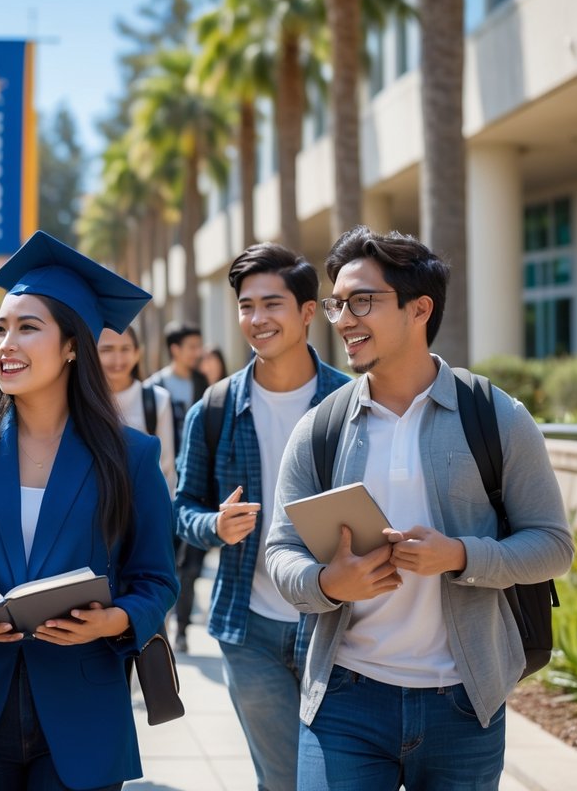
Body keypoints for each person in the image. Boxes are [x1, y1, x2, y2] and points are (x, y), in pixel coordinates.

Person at [266, 227, 574, 791]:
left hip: (465, 705)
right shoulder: (322, 428)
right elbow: (281, 549)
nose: (344, 320)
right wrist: (329, 582)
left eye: (363, 301)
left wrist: (460, 555)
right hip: (345, 699)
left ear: (419, 309)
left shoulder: (496, 417)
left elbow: (553, 545)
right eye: (338, 304)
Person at [0, 231, 179, 791]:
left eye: (28, 328)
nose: (6, 342)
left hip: (81, 711)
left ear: (73, 345)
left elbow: (156, 579)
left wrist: (116, 619)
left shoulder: (131, 456)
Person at [174, 243, 350, 791]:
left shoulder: (350, 403)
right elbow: (182, 508)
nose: (257, 319)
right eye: (246, 306)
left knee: (337, 779)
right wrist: (214, 527)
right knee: (283, 779)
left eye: (271, 304)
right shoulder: (216, 408)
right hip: (247, 625)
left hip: (340, 625)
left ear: (306, 312)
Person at [146, 324, 209, 652]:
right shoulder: (153, 388)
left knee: (192, 565)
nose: (197, 352)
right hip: (160, 491)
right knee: (165, 564)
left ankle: (182, 628)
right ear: (175, 349)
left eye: (198, 346)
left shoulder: (203, 384)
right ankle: (163, 623)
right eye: (191, 346)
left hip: (195, 487)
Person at [97, 325, 175, 493]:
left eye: (125, 349)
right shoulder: (81, 400)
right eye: (106, 350)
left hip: (141, 505)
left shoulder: (157, 399)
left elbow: (166, 468)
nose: (117, 359)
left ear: (137, 353)